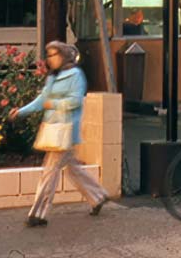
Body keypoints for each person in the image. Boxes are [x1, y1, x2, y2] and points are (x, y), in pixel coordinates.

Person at [11, 41, 108, 227]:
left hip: (65, 130)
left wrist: (53, 104)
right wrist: (21, 111)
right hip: (54, 129)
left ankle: (38, 213)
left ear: (63, 56)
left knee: (49, 172)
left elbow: (75, 101)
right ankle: (98, 196)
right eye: (48, 55)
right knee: (72, 169)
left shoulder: (76, 75)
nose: (50, 59)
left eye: (54, 55)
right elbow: (42, 100)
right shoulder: (53, 77)